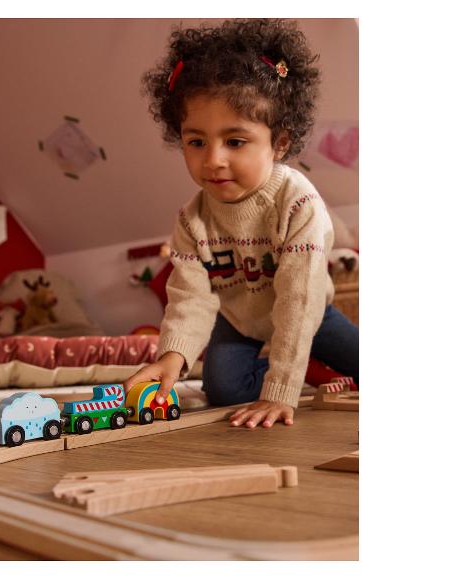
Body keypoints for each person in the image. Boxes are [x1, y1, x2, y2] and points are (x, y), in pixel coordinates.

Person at [123, 19, 359, 429]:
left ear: (279, 143)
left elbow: (298, 303)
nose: (213, 159)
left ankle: (296, 369)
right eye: (196, 141)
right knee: (225, 393)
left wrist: (279, 392)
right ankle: (290, 368)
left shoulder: (297, 201)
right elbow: (190, 299)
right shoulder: (191, 219)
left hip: (308, 311)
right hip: (240, 320)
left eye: (235, 141)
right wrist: (171, 358)